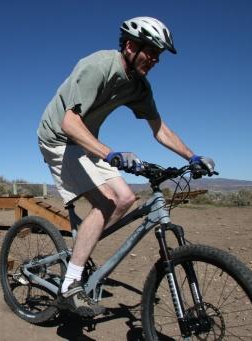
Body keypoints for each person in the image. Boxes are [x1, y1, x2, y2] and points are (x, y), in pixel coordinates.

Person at [37, 16, 215, 317]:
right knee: (106, 203)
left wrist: (192, 157)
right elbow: (69, 122)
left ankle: (81, 248)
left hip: (85, 142)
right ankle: (70, 285)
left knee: (127, 198)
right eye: (151, 52)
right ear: (131, 46)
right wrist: (111, 153)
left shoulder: (139, 87)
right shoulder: (98, 66)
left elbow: (160, 129)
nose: (155, 60)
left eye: (159, 56)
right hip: (58, 137)